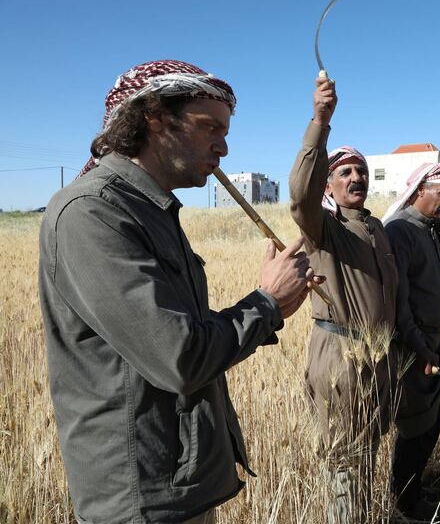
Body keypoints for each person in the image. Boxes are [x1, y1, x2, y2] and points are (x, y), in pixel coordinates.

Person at [39, 60, 318, 524]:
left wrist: (271, 305)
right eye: (209, 127)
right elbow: (179, 356)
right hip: (139, 497)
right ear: (154, 117)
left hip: (174, 484)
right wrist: (266, 304)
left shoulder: (151, 209)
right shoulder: (92, 214)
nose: (223, 147)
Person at [288, 76, 399, 523]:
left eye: (361, 171)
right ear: (329, 186)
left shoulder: (376, 230)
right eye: (344, 172)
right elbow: (299, 195)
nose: (356, 177)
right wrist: (320, 121)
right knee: (343, 461)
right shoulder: (323, 230)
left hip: (379, 357)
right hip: (340, 359)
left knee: (367, 452)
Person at [382, 162, 440, 519]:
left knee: (430, 422)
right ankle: (407, 502)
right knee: (416, 426)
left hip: (429, 342)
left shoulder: (428, 228)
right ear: (419, 190)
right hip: (412, 347)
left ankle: (414, 486)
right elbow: (398, 300)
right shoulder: (400, 231)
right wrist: (420, 348)